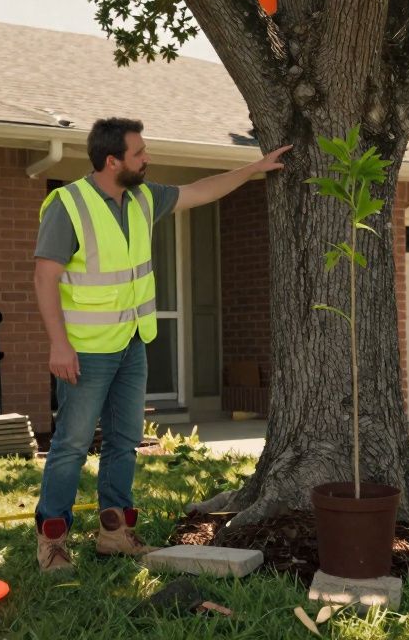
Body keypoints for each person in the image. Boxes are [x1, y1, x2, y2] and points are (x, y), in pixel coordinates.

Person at [32, 117, 289, 572]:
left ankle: (114, 532)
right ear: (113, 161)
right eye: (140, 153)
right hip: (86, 349)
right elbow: (45, 276)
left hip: (132, 342)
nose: (147, 159)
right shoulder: (68, 204)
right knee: (71, 445)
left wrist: (253, 168)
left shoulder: (143, 198)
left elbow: (202, 191)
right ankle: (52, 540)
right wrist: (58, 345)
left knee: (124, 441)